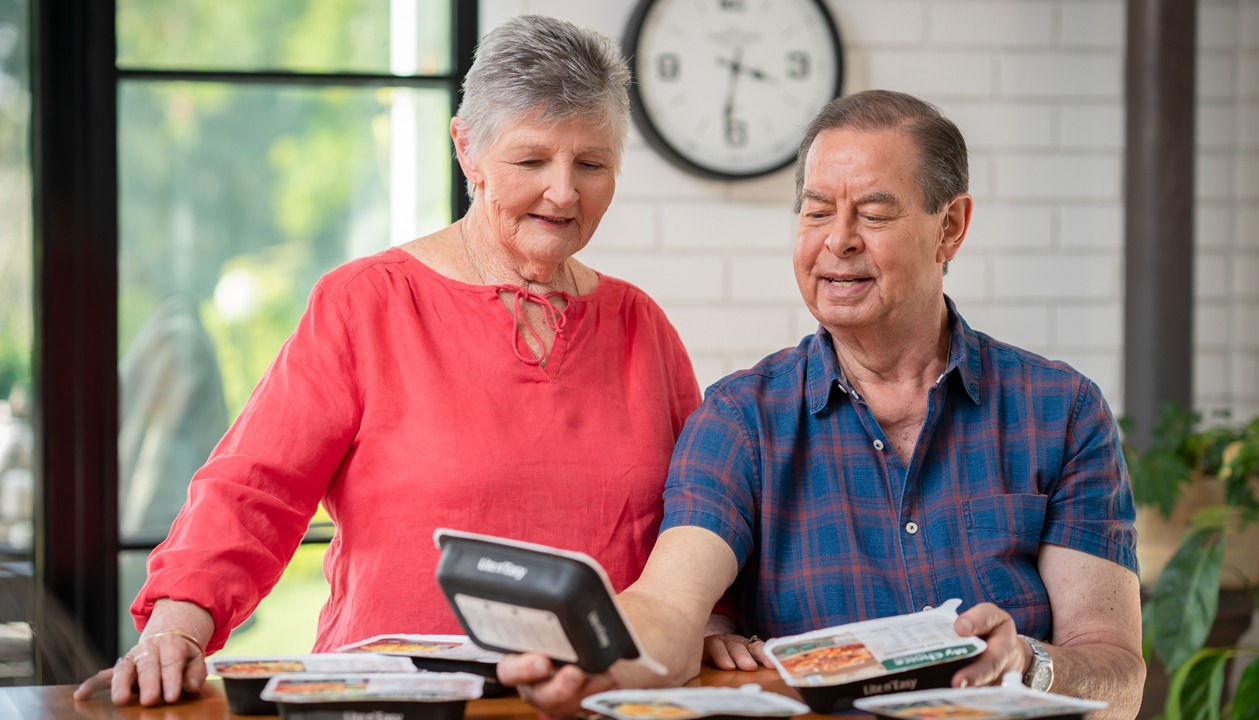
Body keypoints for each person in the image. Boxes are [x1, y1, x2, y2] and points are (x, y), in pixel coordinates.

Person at [75, 15, 702, 708]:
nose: (563, 192)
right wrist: (176, 627)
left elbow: (704, 515)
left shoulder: (641, 325)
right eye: (531, 162)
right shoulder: (365, 304)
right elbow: (255, 488)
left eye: (592, 164)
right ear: (468, 149)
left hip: (597, 704)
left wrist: (720, 618)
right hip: (390, 702)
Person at [499, 89, 1145, 720]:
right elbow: (668, 609)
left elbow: (1116, 672)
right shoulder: (740, 420)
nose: (839, 240)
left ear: (949, 227)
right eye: (815, 211)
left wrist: (1027, 662)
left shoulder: (1061, 412)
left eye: (873, 213)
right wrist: (591, 657)